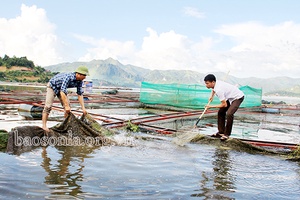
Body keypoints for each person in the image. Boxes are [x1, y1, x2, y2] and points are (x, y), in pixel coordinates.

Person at [42, 66, 89, 132]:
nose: (85, 77)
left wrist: (83, 108)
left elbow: (80, 94)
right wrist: (66, 105)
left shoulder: (80, 81)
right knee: (48, 106)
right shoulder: (69, 77)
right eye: (84, 75)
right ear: (79, 74)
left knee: (68, 109)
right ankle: (44, 126)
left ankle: (65, 125)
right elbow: (62, 91)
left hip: (61, 89)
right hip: (52, 86)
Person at [203, 74, 244, 141]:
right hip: (230, 97)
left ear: (213, 82)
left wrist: (210, 106)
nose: (206, 85)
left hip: (238, 97)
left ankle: (226, 134)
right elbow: (213, 89)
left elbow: (224, 105)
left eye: (207, 83)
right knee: (221, 112)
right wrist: (211, 96)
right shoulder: (216, 83)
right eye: (205, 83)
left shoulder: (219, 90)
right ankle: (221, 132)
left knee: (229, 113)